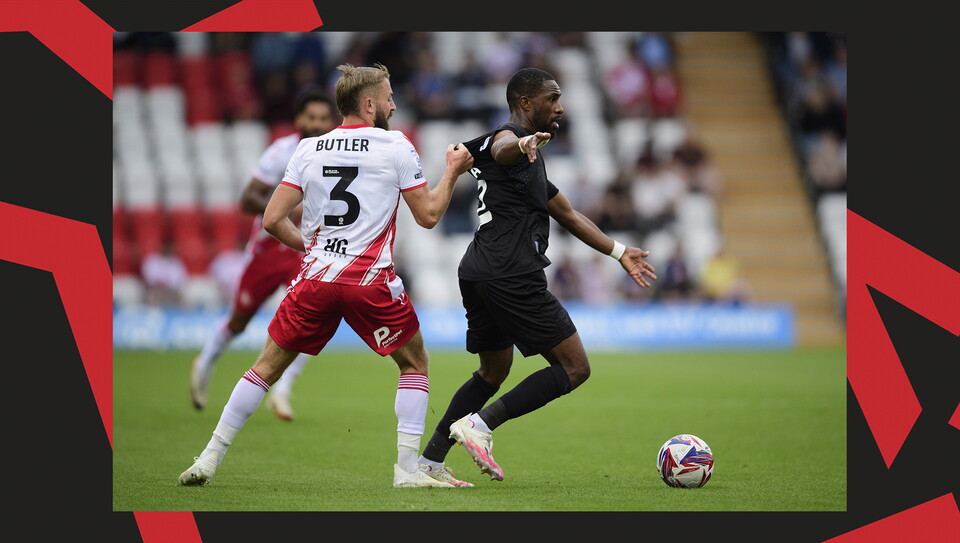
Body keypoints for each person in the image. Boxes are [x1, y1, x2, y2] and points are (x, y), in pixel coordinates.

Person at [178, 63, 476, 489]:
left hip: (315, 280)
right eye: (389, 96)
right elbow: (428, 215)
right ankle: (408, 471)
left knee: (265, 367)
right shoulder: (395, 145)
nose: (394, 104)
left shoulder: (309, 149)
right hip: (369, 282)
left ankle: (208, 458)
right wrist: (452, 171)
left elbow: (271, 219)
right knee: (414, 363)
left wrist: (311, 249)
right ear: (369, 103)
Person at [416, 67, 658, 482]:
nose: (560, 107)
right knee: (575, 368)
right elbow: (504, 147)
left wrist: (619, 252)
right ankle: (480, 425)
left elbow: (567, 213)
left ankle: (430, 462)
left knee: (493, 372)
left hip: (480, 270)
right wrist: (524, 142)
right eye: (552, 98)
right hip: (511, 271)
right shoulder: (508, 140)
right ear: (526, 103)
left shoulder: (529, 165)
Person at [189, 89, 337, 421]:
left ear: (332, 122)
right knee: (240, 320)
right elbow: (248, 200)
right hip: (269, 247)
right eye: (310, 117)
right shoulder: (281, 152)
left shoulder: (335, 156)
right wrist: (288, 206)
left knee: (311, 317)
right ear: (299, 118)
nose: (316, 124)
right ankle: (206, 361)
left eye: (323, 118)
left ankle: (282, 390)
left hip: (307, 249)